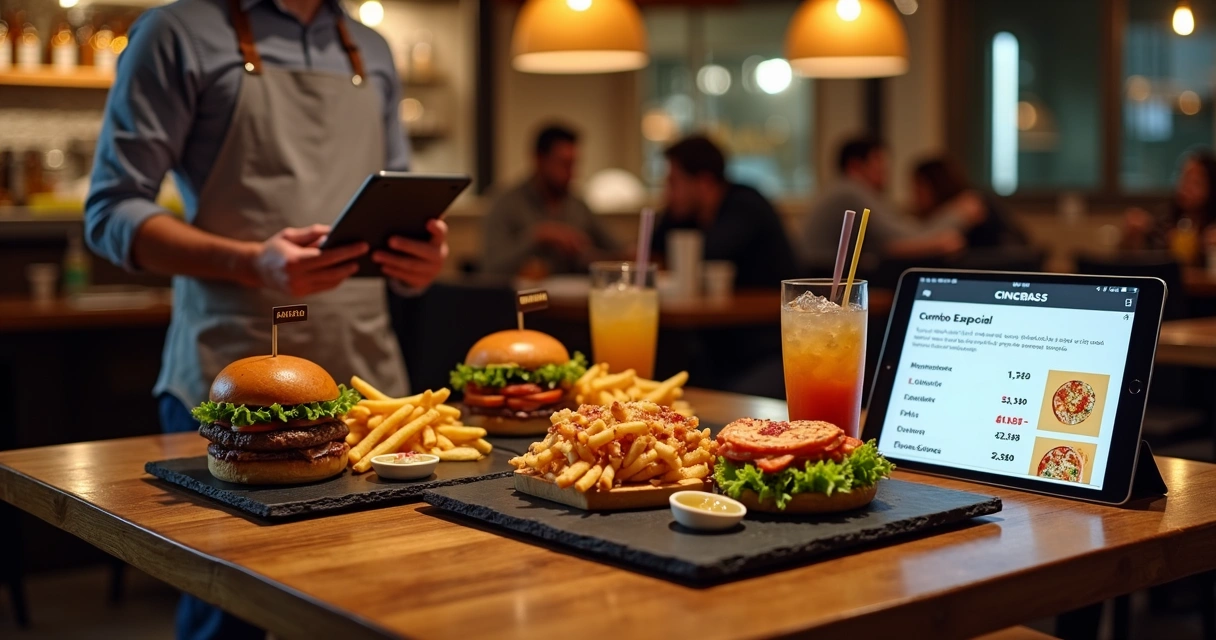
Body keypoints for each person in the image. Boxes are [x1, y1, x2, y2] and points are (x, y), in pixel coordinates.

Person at [83, 0, 448, 637]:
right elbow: (110, 214)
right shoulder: (177, 34)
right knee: (230, 614)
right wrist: (252, 262)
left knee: (378, 599)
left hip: (372, 397)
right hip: (229, 386)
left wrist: (419, 255)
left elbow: (400, 193)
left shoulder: (373, 48)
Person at [802, 136, 980, 268]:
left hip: (827, 274)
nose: (886, 171)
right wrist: (958, 214)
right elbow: (904, 238)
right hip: (823, 277)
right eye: (879, 163)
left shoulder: (840, 189)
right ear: (855, 165)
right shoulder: (851, 192)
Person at [651, 135, 798, 289]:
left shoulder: (746, 206)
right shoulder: (684, 214)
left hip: (772, 308)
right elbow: (654, 251)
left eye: (673, 183)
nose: (667, 193)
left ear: (704, 183)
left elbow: (706, 254)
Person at [482, 124, 620, 277]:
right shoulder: (506, 203)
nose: (572, 173)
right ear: (539, 159)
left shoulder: (577, 205)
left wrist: (592, 255)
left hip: (572, 299)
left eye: (573, 164)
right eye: (563, 164)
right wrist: (537, 236)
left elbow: (615, 250)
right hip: (522, 299)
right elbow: (491, 267)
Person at [911, 157, 1028, 248]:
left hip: (1001, 267)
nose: (914, 195)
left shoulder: (970, 204)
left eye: (919, 188)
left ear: (936, 186)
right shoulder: (958, 205)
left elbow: (930, 237)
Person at [1123, 150, 1216, 263]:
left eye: (1196, 182)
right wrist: (1135, 235)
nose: (1186, 187)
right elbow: (1140, 263)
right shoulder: (1165, 220)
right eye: (1183, 178)